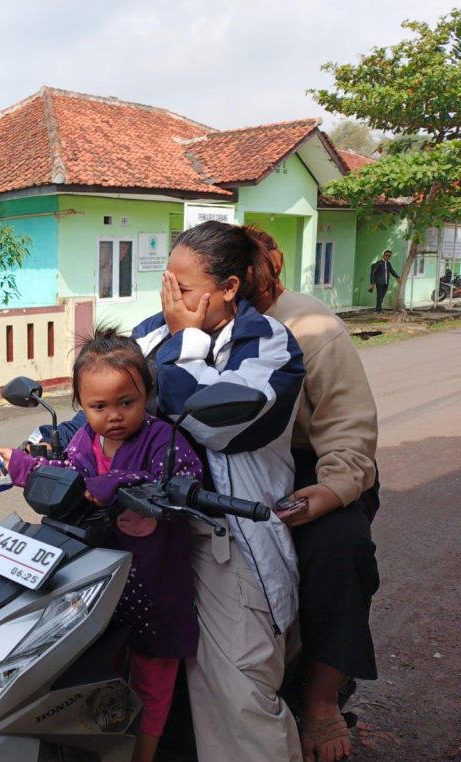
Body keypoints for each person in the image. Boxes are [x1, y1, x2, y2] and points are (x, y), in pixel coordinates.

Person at [131, 220, 305, 761]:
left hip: (230, 538)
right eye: (167, 284)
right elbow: (109, 401)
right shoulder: (148, 334)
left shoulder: (268, 343)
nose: (170, 300)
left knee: (238, 694)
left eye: (182, 289)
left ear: (228, 288)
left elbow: (221, 424)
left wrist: (185, 346)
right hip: (146, 529)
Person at [0, 328, 203, 762]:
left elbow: (183, 480)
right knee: (93, 677)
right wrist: (19, 464)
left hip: (154, 591)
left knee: (152, 684)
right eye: (98, 406)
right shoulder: (83, 441)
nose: (113, 416)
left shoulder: (164, 441)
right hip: (95, 591)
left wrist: (113, 483)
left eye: (126, 402)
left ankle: (144, 755)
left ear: (147, 393)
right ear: (80, 406)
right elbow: (66, 473)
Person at [250, 227, 380, 762]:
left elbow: (349, 431)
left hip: (315, 464)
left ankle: (321, 701)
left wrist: (327, 494)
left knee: (338, 548)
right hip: (242, 460)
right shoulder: (191, 326)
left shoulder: (311, 326)